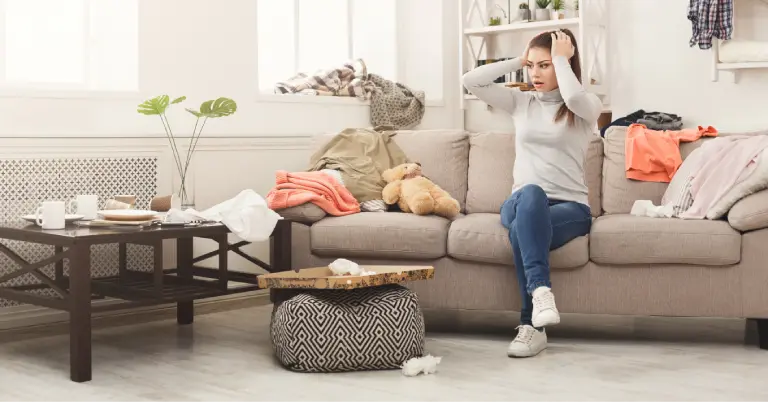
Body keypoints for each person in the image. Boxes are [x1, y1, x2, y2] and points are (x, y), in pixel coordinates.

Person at [462, 29, 601, 358]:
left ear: (565, 65)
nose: (535, 74)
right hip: (521, 200)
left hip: (570, 208)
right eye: (531, 66)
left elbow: (575, 98)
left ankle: (531, 328)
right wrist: (516, 60)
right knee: (532, 196)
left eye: (545, 66)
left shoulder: (585, 109)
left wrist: (561, 60)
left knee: (526, 231)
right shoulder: (520, 102)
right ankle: (540, 292)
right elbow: (471, 80)